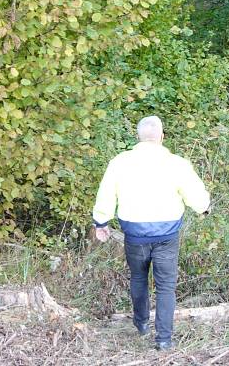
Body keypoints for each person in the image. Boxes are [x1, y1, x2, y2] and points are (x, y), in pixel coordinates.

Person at [92, 115, 210, 350]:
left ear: (138, 137)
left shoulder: (119, 162)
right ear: (162, 137)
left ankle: (141, 323)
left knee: (138, 277)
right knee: (166, 286)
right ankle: (164, 340)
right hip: (167, 235)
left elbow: (106, 194)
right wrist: (204, 207)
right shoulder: (177, 163)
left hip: (134, 233)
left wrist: (101, 222)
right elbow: (196, 196)